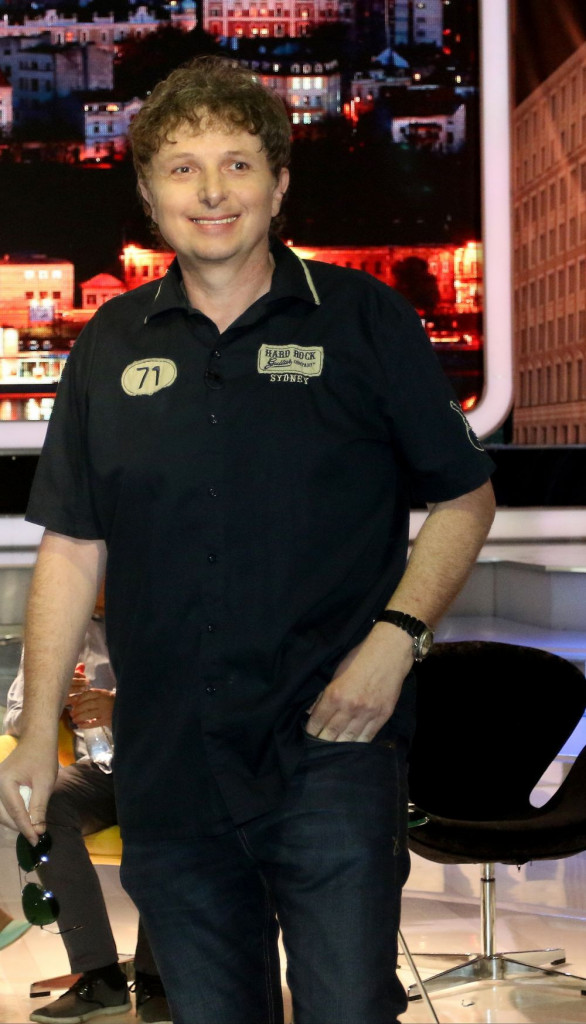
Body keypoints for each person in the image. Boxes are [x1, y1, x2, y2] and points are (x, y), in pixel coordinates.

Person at [0, 56, 496, 1024]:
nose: (212, 192)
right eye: (182, 169)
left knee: (346, 1007)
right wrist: (32, 730)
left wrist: (394, 641)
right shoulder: (108, 341)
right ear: (149, 195)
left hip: (333, 738)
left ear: (278, 183)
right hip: (167, 756)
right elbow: (72, 545)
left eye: (237, 164)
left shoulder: (363, 318)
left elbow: (465, 498)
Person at [3, 601, 171, 1024]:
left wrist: (122, 709)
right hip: (98, 771)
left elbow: (199, 703)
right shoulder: (58, 621)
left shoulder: (163, 608)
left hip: (166, 766)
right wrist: (51, 702)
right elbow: (16, 717)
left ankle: (158, 978)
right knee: (43, 804)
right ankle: (99, 975)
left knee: (170, 804)